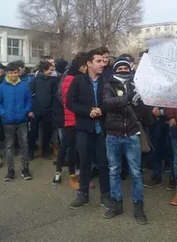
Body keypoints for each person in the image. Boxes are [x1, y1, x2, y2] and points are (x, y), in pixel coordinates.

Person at [101, 57, 151, 224]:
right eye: (119, 68)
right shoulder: (108, 84)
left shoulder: (137, 84)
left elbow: (144, 112)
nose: (123, 70)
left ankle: (138, 207)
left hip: (132, 134)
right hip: (113, 135)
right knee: (114, 170)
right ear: (115, 70)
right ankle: (116, 204)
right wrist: (129, 97)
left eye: (125, 68)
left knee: (136, 173)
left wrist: (140, 102)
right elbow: (108, 103)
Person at [67, 48, 112, 210]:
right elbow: (70, 103)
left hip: (102, 130)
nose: (102, 64)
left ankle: (105, 195)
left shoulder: (107, 81)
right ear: (89, 63)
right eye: (98, 61)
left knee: (103, 163)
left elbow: (111, 101)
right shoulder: (78, 81)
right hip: (84, 129)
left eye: (104, 61)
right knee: (84, 162)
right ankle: (83, 194)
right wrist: (88, 111)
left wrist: (101, 109)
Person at [0, 62, 33, 181]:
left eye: (15, 72)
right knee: (9, 146)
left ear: (18, 72)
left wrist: (26, 111)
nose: (13, 75)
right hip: (8, 121)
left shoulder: (24, 85)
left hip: (22, 121)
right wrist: (3, 113)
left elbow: (29, 99)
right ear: (7, 73)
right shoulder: (2, 87)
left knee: (24, 145)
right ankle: (10, 171)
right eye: (11, 73)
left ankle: (25, 169)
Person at [53, 53, 87, 188]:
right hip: (72, 117)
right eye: (85, 66)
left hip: (74, 116)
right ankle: (70, 175)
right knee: (70, 146)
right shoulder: (70, 79)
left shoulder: (75, 77)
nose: (86, 68)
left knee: (68, 144)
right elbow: (68, 100)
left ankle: (62, 171)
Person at [28, 61, 58, 160]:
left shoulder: (52, 81)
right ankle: (30, 152)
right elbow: (29, 96)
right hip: (35, 111)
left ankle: (46, 152)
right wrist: (30, 110)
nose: (52, 72)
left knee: (47, 133)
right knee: (33, 133)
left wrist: (52, 108)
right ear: (44, 70)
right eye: (50, 70)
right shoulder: (35, 81)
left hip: (48, 111)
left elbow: (54, 95)